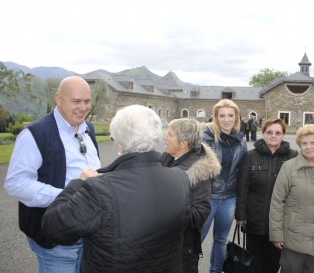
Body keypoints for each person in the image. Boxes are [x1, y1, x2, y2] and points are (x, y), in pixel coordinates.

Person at [41, 105, 191, 273]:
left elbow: (53, 227)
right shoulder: (180, 178)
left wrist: (78, 182)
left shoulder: (98, 189)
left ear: (119, 143)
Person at [4, 76, 101, 273]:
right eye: (76, 101)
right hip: (55, 239)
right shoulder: (35, 134)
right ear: (58, 99)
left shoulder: (88, 129)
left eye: (87, 101)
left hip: (88, 233)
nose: (83, 108)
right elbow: (15, 183)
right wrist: (68, 194)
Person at [269, 124, 314, 273]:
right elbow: (277, 202)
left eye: (313, 142)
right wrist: (276, 234)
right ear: (299, 145)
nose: (309, 147)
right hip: (293, 237)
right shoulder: (289, 167)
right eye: (304, 143)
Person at [235, 118, 298, 273]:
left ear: (283, 135)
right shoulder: (250, 156)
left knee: (273, 262)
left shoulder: (294, 156)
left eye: (278, 132)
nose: (273, 135)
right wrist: (240, 215)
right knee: (254, 261)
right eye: (269, 132)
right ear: (262, 133)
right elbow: (242, 187)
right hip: (255, 218)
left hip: (280, 222)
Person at [161, 118, 221, 273]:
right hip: (164, 244)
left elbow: (199, 214)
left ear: (183, 143)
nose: (164, 137)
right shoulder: (166, 158)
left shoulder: (198, 172)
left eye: (170, 134)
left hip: (182, 249)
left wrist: (164, 207)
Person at [201, 99, 248, 273]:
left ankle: (215, 270)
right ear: (216, 117)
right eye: (222, 115)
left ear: (236, 117)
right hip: (209, 197)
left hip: (229, 198)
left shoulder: (240, 138)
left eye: (230, 115)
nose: (226, 119)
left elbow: (244, 166)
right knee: (196, 238)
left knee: (220, 239)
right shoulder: (207, 138)